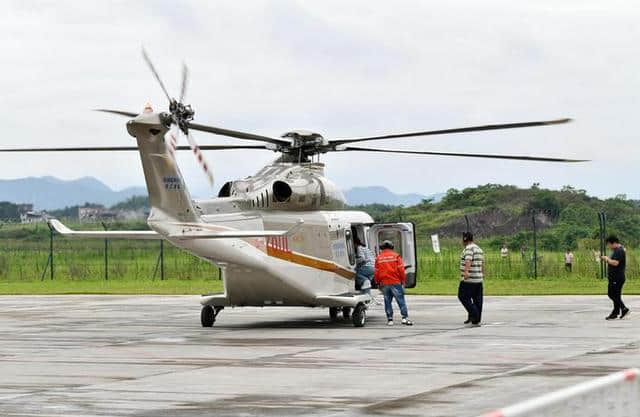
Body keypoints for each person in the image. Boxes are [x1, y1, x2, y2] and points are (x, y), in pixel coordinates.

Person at [374, 240, 413, 326]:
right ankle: (404, 318)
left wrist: (377, 282)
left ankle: (390, 320)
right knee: (401, 300)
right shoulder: (396, 256)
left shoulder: (379, 258)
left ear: (382, 248)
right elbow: (401, 270)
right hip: (395, 282)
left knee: (387, 301)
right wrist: (403, 281)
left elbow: (376, 272)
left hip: (384, 283)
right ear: (392, 247)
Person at [458, 232, 485, 327]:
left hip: (469, 280)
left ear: (465, 239)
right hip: (478, 279)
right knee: (477, 299)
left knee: (463, 296)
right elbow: (482, 263)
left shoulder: (469, 249)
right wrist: (482, 273)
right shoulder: (479, 249)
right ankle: (475, 319)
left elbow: (468, 260)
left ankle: (475, 314)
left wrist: (466, 272)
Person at [601, 235, 630, 320]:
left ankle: (624, 308)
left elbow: (615, 263)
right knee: (616, 295)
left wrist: (606, 259)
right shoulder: (618, 250)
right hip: (615, 278)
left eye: (609, 244)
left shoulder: (619, 251)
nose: (608, 247)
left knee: (612, 294)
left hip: (617, 278)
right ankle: (615, 312)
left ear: (613, 243)